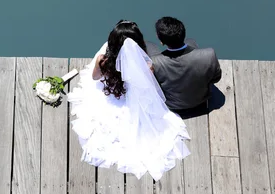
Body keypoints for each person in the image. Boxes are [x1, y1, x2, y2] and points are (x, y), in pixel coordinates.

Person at [67, 20, 190, 180]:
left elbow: (95, 77)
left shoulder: (103, 60)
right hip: (131, 95)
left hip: (114, 92)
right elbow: (146, 85)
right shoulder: (146, 63)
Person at [150, 17, 222, 115]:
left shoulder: (154, 62)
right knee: (191, 42)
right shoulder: (209, 55)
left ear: (162, 42)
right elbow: (216, 78)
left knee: (149, 46)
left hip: (172, 106)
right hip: (200, 102)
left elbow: (154, 86)